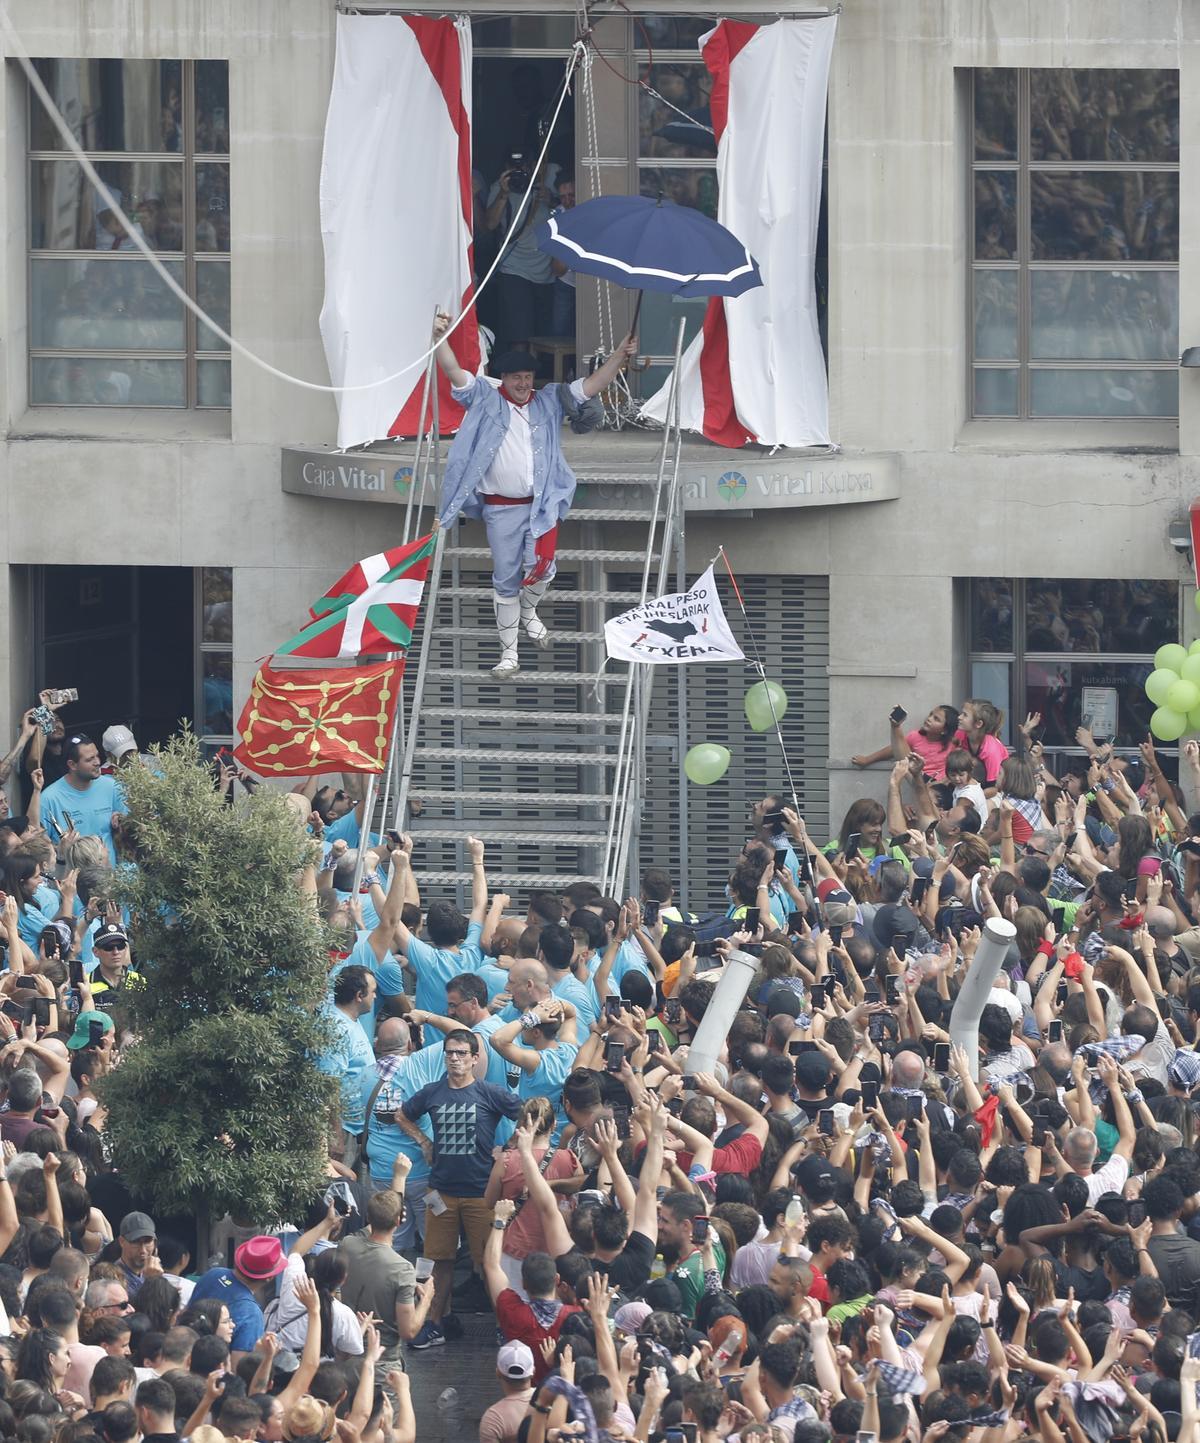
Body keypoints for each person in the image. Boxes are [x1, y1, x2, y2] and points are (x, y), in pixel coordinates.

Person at [432, 309, 638, 676]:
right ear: (504, 379)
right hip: (499, 509)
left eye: (528, 377)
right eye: (516, 378)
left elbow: (591, 386)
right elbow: (453, 372)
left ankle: (529, 612)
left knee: (542, 569)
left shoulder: (549, 399)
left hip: (542, 505)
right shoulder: (485, 396)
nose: (524, 383)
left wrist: (619, 357)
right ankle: (509, 654)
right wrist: (438, 339)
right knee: (505, 579)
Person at [398, 1030, 522, 1349]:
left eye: (461, 1053)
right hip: (441, 1191)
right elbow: (403, 1115)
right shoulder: (432, 1092)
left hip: (482, 1193)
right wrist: (424, 1141)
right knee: (438, 1260)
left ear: (474, 1058)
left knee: (489, 1263)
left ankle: (504, 1325)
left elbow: (526, 1115)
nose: (455, 1058)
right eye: (450, 1053)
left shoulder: (488, 1092)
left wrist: (507, 1151)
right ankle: (436, 1323)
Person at [189, 1236, 287, 1363]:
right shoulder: (251, 1313)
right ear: (269, 1277)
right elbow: (240, 1367)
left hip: (184, 1353)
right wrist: (267, 1355)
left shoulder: (214, 1273)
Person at [39, 735, 126, 864]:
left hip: (110, 877)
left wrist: (123, 821)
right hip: (73, 881)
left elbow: (131, 833)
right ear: (72, 765)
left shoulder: (112, 786)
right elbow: (40, 848)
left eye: (97, 755)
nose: (97, 762)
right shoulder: (49, 799)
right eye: (90, 759)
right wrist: (61, 851)